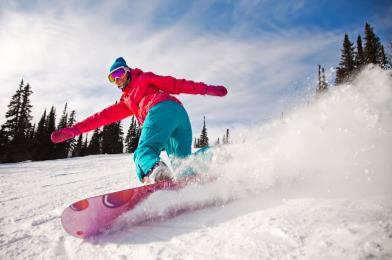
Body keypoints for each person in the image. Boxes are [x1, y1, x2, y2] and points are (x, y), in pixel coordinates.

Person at [51, 57, 228, 184]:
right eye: (112, 78)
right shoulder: (126, 102)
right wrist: (75, 130)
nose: (117, 78)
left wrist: (205, 89)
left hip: (161, 109)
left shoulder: (144, 78)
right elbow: (100, 118)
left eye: (119, 72)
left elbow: (176, 84)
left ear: (128, 71)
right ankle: (213, 156)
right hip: (179, 116)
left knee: (144, 151)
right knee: (183, 167)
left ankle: (158, 174)